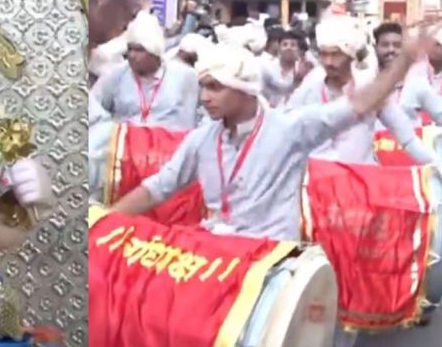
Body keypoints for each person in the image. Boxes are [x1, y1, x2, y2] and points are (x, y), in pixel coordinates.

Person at [109, 37, 417, 241]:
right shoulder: (201, 139)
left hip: (272, 260)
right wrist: (104, 222)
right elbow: (156, 189)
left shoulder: (289, 129)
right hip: (216, 251)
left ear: (244, 90)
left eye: (215, 87)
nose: (204, 98)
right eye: (203, 87)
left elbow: (359, 104)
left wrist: (401, 64)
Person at [286, 17, 437, 164]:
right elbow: (286, 131)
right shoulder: (310, 86)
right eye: (324, 54)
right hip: (318, 181)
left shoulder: (368, 88)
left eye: (335, 54)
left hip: (361, 179)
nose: (328, 62)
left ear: (350, 55)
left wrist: (435, 165)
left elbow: (407, 139)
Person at [92, 12, 200, 130]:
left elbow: (199, 117)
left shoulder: (184, 76)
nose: (132, 55)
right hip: (126, 143)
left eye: (139, 50)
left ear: (155, 53)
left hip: (170, 143)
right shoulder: (115, 75)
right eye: (130, 49)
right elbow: (92, 108)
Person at [374, 22, 442, 125]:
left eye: (397, 45)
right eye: (385, 45)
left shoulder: (417, 83)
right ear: (375, 47)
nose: (391, 50)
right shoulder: (365, 81)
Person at [262, 30, 308, 107]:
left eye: (293, 45)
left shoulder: (302, 70)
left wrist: (298, 82)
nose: (288, 48)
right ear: (279, 48)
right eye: (285, 44)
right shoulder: (267, 67)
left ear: (299, 50)